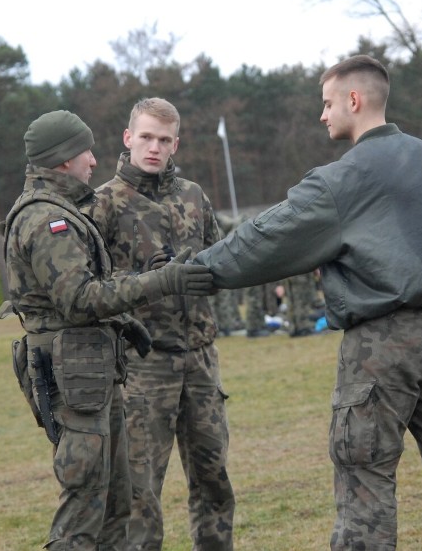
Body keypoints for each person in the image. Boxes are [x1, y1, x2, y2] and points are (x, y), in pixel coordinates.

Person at [195, 55, 422, 551]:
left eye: (326, 103)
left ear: (354, 100)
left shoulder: (341, 180)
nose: (322, 115)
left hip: (377, 349)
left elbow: (259, 242)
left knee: (364, 479)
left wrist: (189, 272)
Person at [0, 110, 214, 550]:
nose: (93, 161)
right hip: (75, 378)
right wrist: (159, 282)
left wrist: (124, 319)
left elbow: (87, 291)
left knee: (116, 506)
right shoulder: (48, 221)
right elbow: (78, 299)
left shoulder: (61, 212)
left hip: (92, 375)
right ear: (62, 159)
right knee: (83, 510)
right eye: (85, 152)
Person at [88, 98, 236, 550]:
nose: (154, 147)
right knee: (140, 492)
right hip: (142, 365)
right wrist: (146, 279)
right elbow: (89, 287)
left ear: (176, 144)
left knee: (214, 481)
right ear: (128, 138)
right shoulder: (102, 204)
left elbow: (220, 258)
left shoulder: (193, 195)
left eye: (164, 140)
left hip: (200, 360)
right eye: (146, 137)